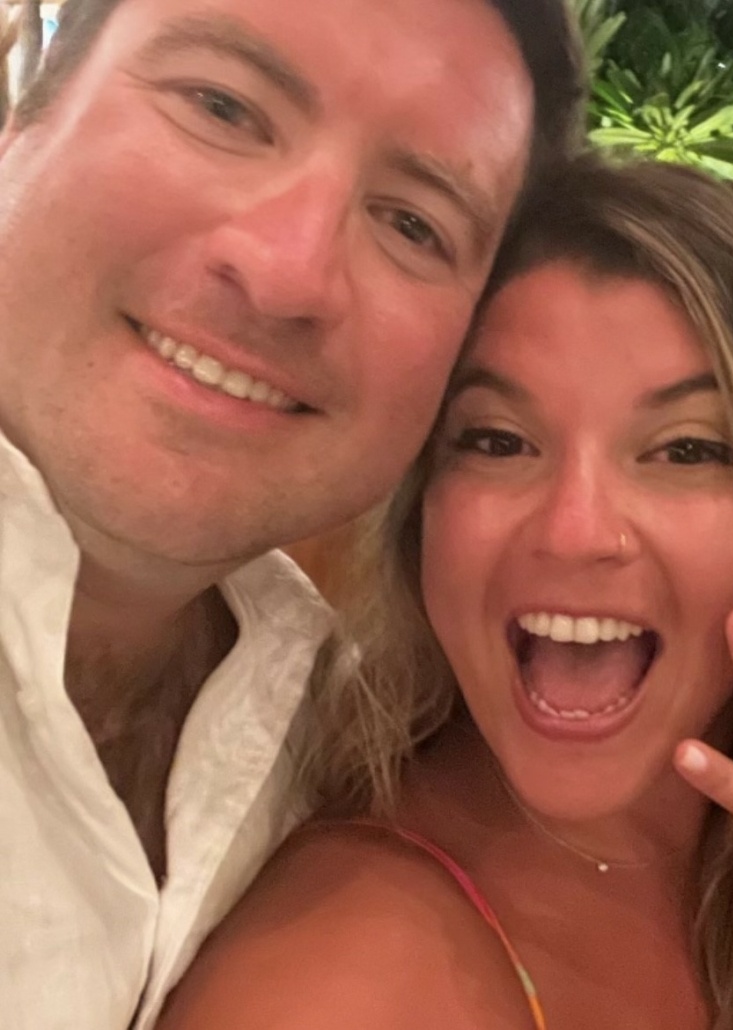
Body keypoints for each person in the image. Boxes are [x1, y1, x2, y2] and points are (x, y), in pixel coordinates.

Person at [156, 158, 733, 1030]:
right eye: (499, 441)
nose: (575, 532)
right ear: (420, 513)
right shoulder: (335, 986)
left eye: (686, 449)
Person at [0, 1, 583, 1028]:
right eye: (223, 108)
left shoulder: (345, 736)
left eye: (413, 224)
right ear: (24, 118)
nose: (286, 274)